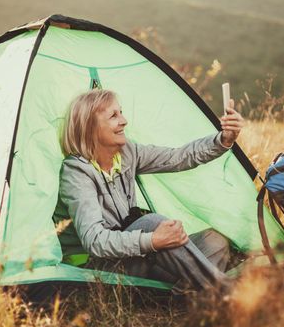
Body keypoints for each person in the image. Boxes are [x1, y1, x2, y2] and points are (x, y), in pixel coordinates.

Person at [55, 89, 244, 292]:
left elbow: (178, 157)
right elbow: (94, 241)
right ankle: (226, 292)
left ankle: (184, 294)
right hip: (101, 270)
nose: (124, 120)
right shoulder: (76, 173)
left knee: (214, 240)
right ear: (89, 127)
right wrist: (152, 240)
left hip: (137, 256)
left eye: (121, 112)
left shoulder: (128, 153)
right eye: (114, 116)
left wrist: (224, 140)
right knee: (151, 223)